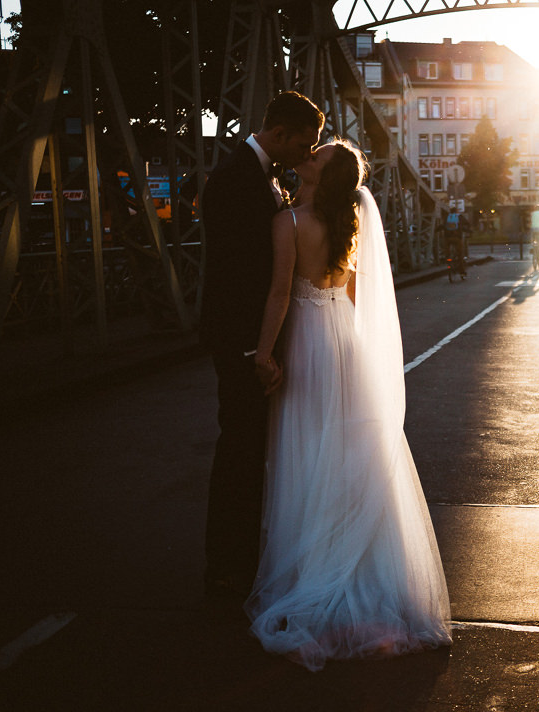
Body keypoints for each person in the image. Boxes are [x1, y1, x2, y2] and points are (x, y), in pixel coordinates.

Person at [245, 138, 452, 671]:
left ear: (322, 174)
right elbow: (356, 295)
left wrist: (264, 353)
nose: (307, 156)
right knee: (353, 459)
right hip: (343, 341)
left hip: (308, 341)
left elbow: (279, 293)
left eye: (316, 156)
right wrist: (356, 349)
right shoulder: (348, 224)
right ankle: (368, 572)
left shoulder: (289, 223)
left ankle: (317, 569)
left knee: (309, 454)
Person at [199, 91, 324, 600]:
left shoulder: (264, 176)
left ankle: (245, 561)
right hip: (241, 343)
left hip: (257, 341)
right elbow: (236, 277)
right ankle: (227, 569)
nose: (309, 153)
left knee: (254, 456)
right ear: (279, 134)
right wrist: (255, 352)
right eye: (305, 142)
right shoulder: (234, 180)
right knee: (240, 456)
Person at [444, 207, 467, 278]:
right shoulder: (460, 217)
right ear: (457, 211)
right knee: (460, 255)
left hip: (447, 239)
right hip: (457, 238)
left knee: (447, 254)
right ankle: (462, 272)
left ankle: (449, 262)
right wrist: (469, 230)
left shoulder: (447, 217)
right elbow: (467, 224)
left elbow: (442, 226)